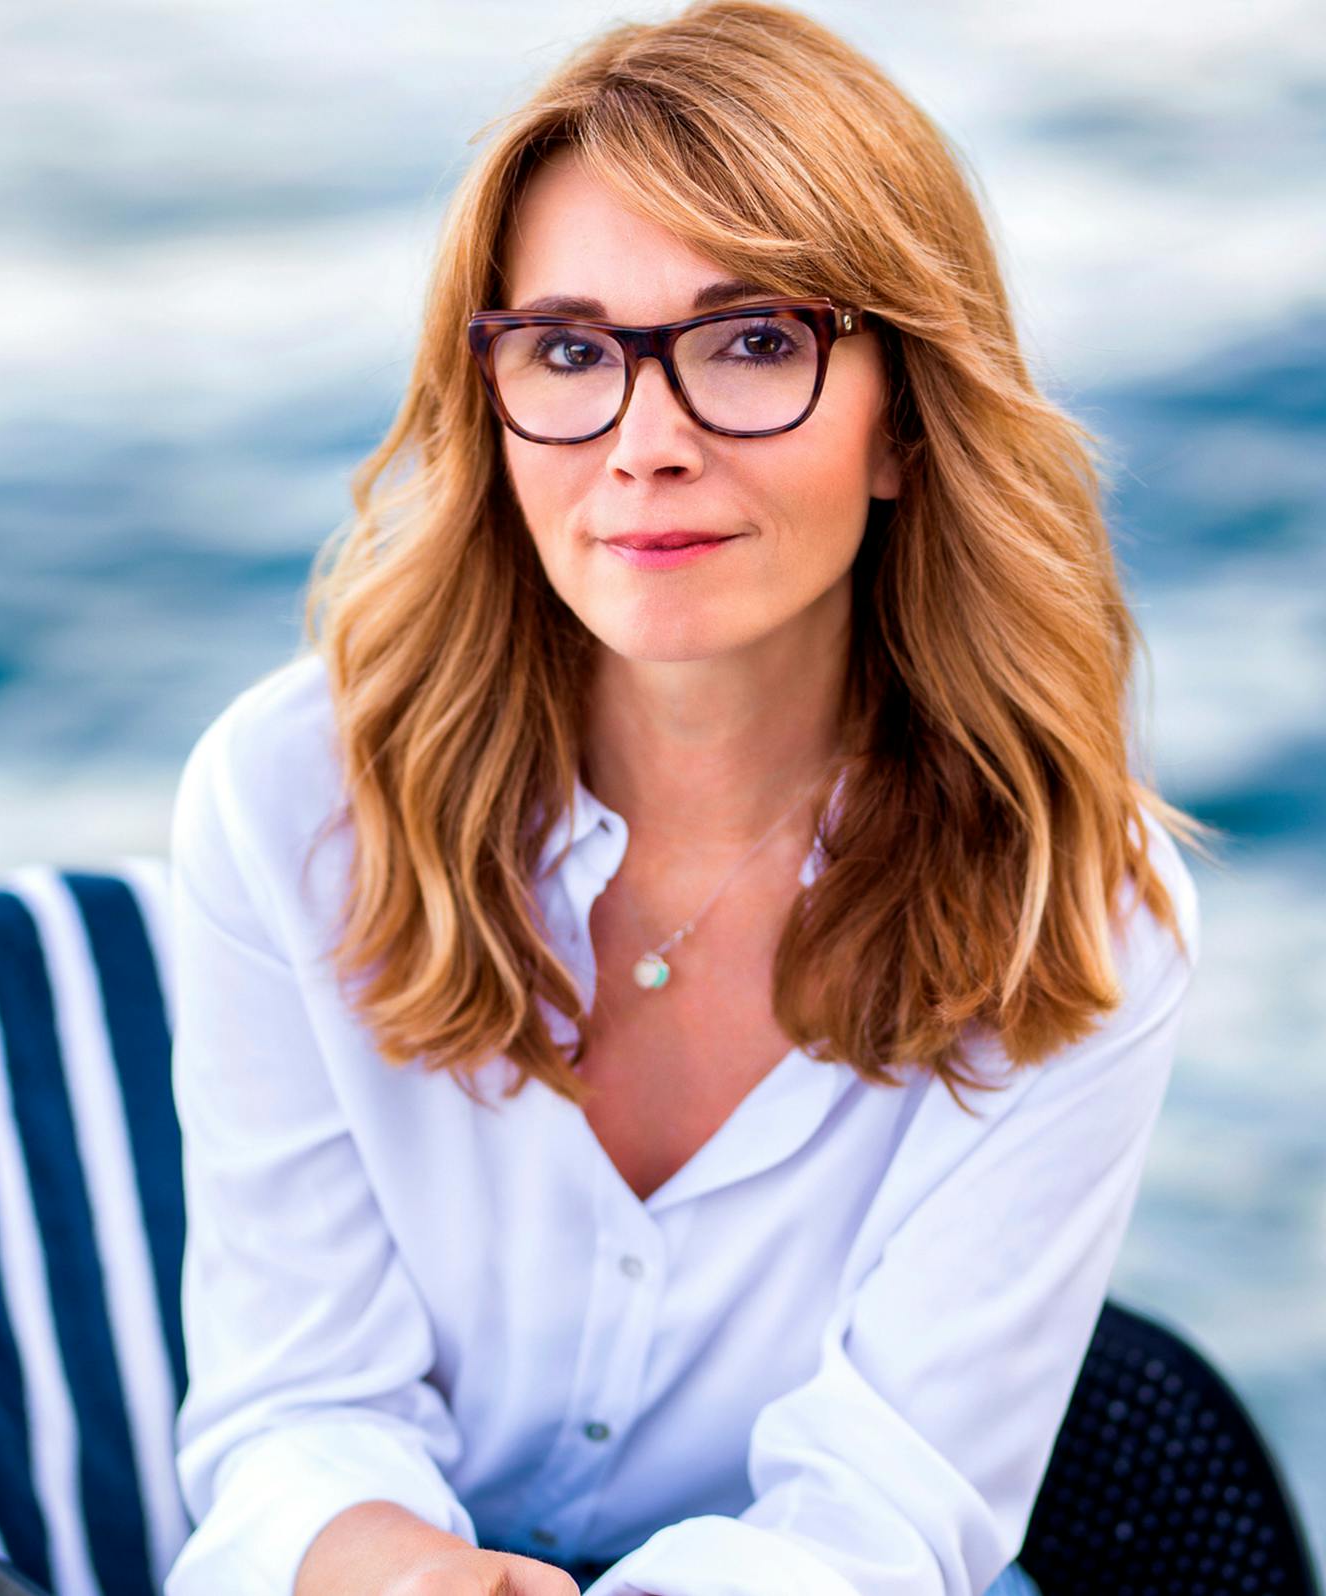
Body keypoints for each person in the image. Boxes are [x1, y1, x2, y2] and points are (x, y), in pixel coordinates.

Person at [162, 3, 1209, 1593]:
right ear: (496, 398)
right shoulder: (293, 798)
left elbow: (885, 1518)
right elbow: (298, 1401)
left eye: (752, 343)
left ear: (905, 423)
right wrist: (379, 1561)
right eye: (572, 353)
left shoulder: (1083, 913)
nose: (645, 445)